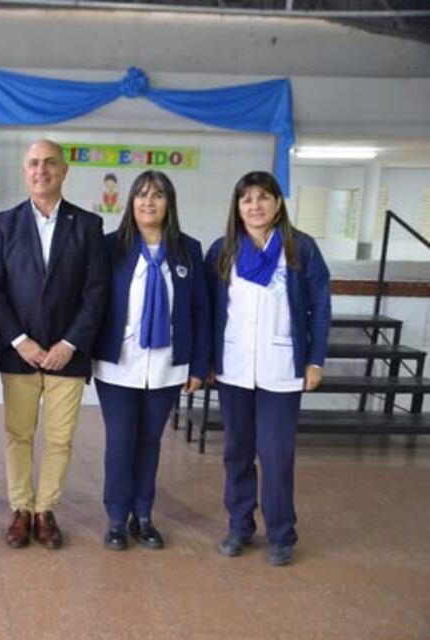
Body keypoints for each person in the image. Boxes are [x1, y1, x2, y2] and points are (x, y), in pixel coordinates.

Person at [0, 139, 106, 550]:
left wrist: (70, 343)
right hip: (19, 353)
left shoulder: (88, 226)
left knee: (59, 438)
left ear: (64, 170)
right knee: (18, 434)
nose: (41, 170)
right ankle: (20, 508)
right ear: (25, 171)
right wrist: (20, 341)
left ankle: (44, 510)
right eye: (34, 163)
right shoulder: (3, 225)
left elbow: (96, 292)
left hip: (67, 356)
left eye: (50, 163)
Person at [205, 170, 331, 567]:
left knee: (276, 453)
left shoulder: (300, 249)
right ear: (237, 207)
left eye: (263, 197)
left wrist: (315, 359)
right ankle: (240, 526)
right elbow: (209, 309)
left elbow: (321, 306)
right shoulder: (223, 249)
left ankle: (281, 533)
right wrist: (207, 359)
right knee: (237, 452)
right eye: (247, 199)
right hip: (234, 367)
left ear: (278, 203)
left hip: (282, 368)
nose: (255, 206)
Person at [92, 170, 210, 551]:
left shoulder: (189, 250)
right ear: (131, 202)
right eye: (141, 195)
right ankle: (115, 518)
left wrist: (198, 365)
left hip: (167, 365)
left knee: (150, 442)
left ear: (168, 204)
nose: (148, 202)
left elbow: (200, 310)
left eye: (157, 195)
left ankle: (143, 516)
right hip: (118, 364)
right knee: (121, 442)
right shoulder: (111, 247)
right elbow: (94, 305)